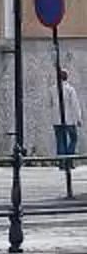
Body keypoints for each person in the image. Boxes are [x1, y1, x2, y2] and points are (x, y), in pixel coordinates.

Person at [58, 64, 80, 195]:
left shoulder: (52, 89)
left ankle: (62, 161)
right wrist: (78, 118)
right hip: (69, 119)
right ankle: (69, 160)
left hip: (57, 119)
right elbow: (75, 104)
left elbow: (50, 104)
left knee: (60, 140)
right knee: (73, 138)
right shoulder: (70, 89)